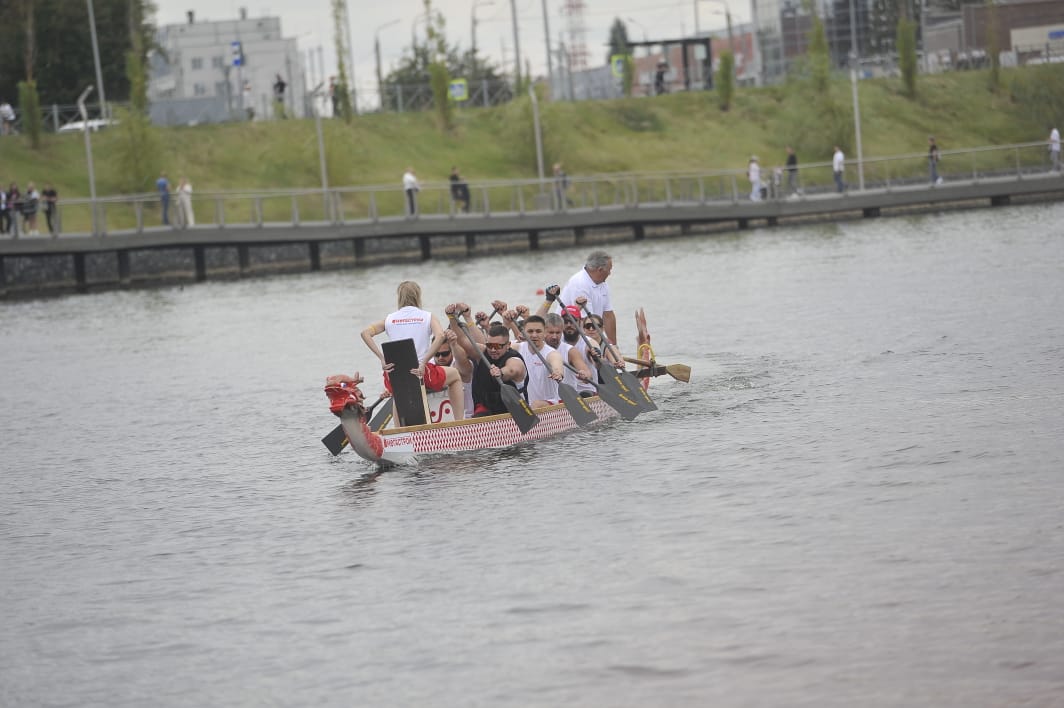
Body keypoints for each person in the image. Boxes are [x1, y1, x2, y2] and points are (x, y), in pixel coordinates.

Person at [361, 281, 465, 420]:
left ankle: (399, 433)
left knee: (397, 394)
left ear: (399, 297)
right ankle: (459, 421)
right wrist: (424, 362)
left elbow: (365, 333)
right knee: (455, 376)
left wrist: (382, 358)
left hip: (393, 375)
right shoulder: (427, 316)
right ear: (418, 296)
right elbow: (440, 336)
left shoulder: (389, 319)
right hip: (421, 372)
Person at [450, 315, 528, 417]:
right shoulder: (482, 353)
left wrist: (500, 373)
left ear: (508, 345)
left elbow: (512, 370)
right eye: (490, 345)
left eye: (498, 346)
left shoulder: (515, 360)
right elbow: (463, 340)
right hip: (486, 409)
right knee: (481, 414)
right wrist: (451, 317)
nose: (493, 350)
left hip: (513, 412)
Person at [500, 311, 564, 408]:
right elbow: (499, 346)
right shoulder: (516, 347)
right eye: (530, 331)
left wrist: (558, 372)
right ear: (524, 332)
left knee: (536, 404)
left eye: (538, 331)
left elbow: (557, 363)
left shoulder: (551, 353)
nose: (534, 335)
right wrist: (505, 322)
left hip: (549, 404)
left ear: (545, 333)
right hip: (526, 407)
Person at [558, 250, 617, 346]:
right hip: (571, 339)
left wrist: (614, 346)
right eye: (609, 270)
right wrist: (602, 346)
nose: (610, 273)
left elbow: (608, 315)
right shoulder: (580, 284)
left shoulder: (603, 285)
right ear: (600, 270)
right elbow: (587, 323)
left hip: (593, 334)